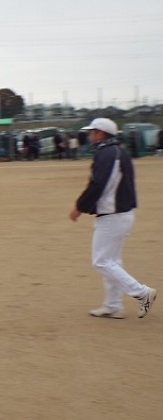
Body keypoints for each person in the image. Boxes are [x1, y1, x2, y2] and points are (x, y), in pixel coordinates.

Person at [69, 117, 156, 319]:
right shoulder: (118, 151)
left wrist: (80, 207)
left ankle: (142, 293)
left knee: (101, 261)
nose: (90, 136)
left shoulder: (107, 153)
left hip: (113, 215)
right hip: (121, 213)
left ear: (100, 133)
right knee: (111, 261)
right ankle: (113, 305)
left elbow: (98, 184)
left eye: (92, 132)